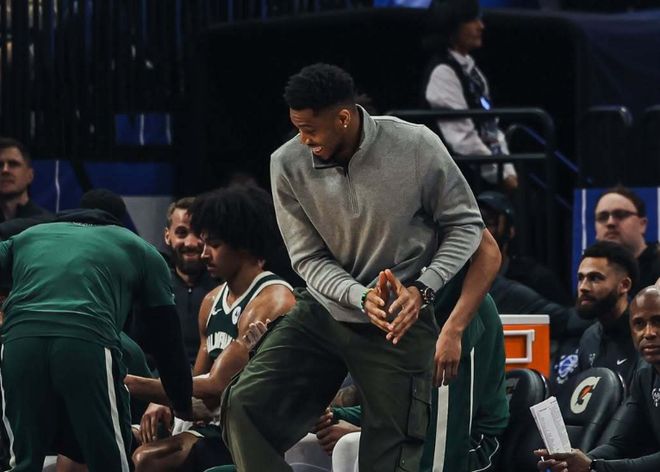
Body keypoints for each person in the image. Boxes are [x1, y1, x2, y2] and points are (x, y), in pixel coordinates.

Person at [221, 63, 484, 472]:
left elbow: (467, 225)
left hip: (399, 318)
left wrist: (423, 288)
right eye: (297, 129)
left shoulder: (415, 145)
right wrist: (359, 296)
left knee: (392, 455)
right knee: (243, 405)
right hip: (325, 310)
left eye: (310, 130)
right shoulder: (286, 163)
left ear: (343, 118)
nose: (303, 140)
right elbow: (307, 258)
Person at [0, 189, 192, 471]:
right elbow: (167, 340)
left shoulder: (27, 237)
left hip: (18, 344)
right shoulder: (139, 248)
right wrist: (181, 402)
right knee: (108, 461)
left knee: (24, 462)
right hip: (86, 342)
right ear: (117, 221)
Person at [126, 185, 296, 472]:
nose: (204, 254)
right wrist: (167, 402)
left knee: (149, 458)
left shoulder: (272, 300)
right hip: (214, 421)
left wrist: (128, 382)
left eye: (213, 245)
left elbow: (217, 384)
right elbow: (194, 382)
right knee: (115, 441)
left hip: (259, 430)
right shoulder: (212, 301)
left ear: (243, 245)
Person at [535, 285, 660, 472]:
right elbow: (620, 444)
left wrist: (593, 466)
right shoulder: (644, 376)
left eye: (658, 321)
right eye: (639, 324)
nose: (648, 332)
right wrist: (575, 461)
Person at [424, 0, 517, 192]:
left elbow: (491, 128)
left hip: (486, 176)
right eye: (472, 20)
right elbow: (463, 140)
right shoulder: (443, 72)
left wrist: (508, 170)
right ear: (452, 26)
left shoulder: (473, 72)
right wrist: (500, 175)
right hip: (456, 185)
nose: (481, 26)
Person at [553, 241, 641, 391]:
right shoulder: (589, 338)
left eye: (595, 278)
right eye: (580, 278)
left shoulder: (645, 336)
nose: (583, 287)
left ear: (624, 285)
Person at [477, 190, 571, 305]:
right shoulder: (461, 277)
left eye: (489, 222)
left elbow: (564, 314)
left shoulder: (535, 280)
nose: (481, 231)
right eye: (476, 223)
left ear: (510, 231)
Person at [164, 197, 219, 364]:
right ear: (167, 236)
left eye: (199, 233)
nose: (191, 243)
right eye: (182, 233)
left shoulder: (228, 288)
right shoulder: (152, 286)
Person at [594, 185, 660, 295]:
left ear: (642, 224)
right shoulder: (590, 275)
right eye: (602, 217)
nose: (610, 222)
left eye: (620, 215)